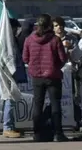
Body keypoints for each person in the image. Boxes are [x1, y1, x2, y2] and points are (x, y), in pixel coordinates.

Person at [22, 14, 69, 142]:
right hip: (53, 75)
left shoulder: (29, 39)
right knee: (55, 104)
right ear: (49, 25)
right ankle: (58, 133)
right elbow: (63, 58)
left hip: (37, 76)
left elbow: (25, 58)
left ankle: (37, 133)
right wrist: (56, 66)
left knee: (38, 104)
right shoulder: (55, 39)